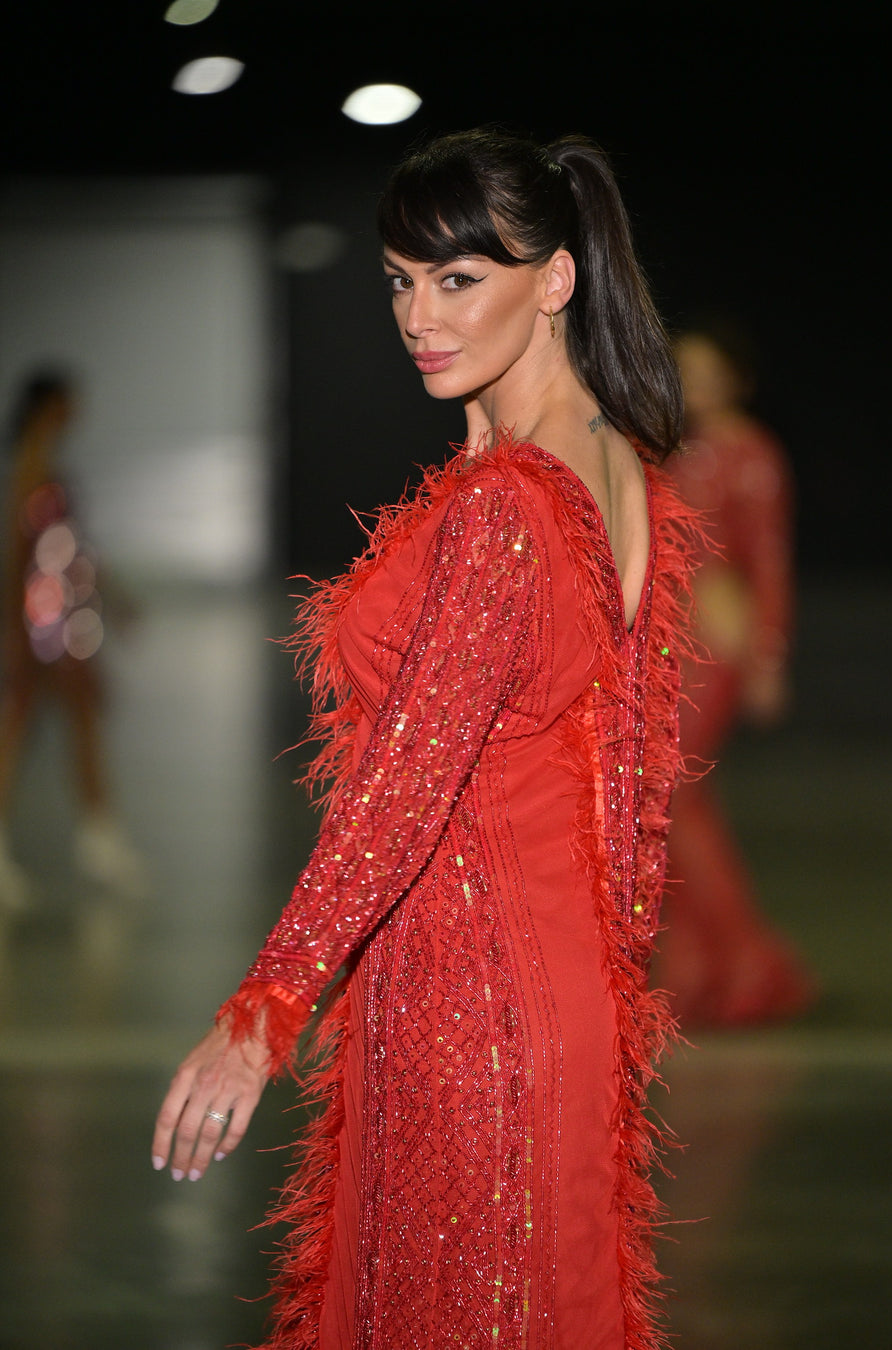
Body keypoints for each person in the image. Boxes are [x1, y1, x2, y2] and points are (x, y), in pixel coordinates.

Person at [153, 128, 701, 1350]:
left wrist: (262, 1015)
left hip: (470, 1015)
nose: (418, 316)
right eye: (402, 281)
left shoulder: (507, 508)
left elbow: (403, 787)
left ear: (554, 280)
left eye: (459, 280)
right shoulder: (613, 463)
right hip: (557, 999)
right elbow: (629, 794)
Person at [653, 325, 815, 1026]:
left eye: (706, 372)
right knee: (666, 804)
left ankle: (746, 962)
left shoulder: (752, 453)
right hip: (658, 640)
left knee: (672, 796)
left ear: (735, 380)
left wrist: (768, 658)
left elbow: (771, 560)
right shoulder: (661, 448)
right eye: (682, 370)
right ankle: (699, 966)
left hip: (710, 640)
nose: (694, 385)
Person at [0, 368, 146, 913]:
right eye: (69, 401)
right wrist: (15, 633)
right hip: (47, 621)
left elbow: (72, 546)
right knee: (28, 727)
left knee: (67, 724)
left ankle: (99, 840)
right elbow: (21, 556)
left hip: (65, 616)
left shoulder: (46, 466)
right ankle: (97, 840)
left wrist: (110, 595)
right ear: (49, 406)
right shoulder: (32, 469)